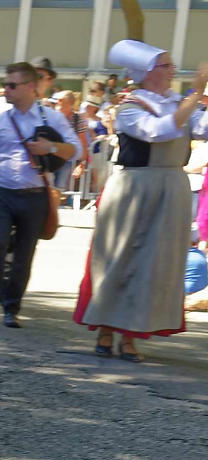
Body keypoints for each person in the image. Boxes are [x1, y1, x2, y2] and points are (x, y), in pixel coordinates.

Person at [74, 41, 206, 360]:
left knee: (154, 265)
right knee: (120, 258)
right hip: (135, 187)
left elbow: (201, 127)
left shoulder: (178, 103)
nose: (173, 71)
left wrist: (198, 99)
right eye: (166, 66)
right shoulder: (130, 107)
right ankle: (107, 329)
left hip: (170, 186)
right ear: (147, 73)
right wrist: (195, 94)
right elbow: (158, 131)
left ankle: (132, 334)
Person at [0, 60, 79, 329]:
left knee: (24, 254)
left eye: (11, 85)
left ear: (30, 87)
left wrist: (51, 147)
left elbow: (76, 150)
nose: (5, 90)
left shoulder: (52, 118)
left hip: (35, 196)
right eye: (3, 85)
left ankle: (11, 309)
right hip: (2, 194)